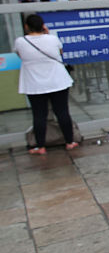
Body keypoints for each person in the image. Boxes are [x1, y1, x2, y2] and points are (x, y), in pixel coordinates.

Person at [15, 14, 79, 154]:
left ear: (26, 27)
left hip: (34, 84)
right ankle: (69, 142)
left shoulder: (20, 41)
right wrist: (47, 34)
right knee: (62, 112)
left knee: (39, 115)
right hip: (58, 81)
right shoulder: (52, 39)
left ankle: (41, 146)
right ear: (43, 26)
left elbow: (20, 55)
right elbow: (59, 52)